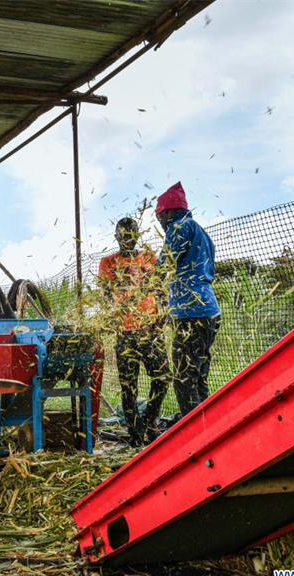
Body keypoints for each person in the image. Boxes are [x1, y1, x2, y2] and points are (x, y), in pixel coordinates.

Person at [98, 217, 169, 446]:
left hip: (150, 330)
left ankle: (149, 420)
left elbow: (159, 288)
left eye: (131, 235)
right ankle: (135, 434)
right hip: (125, 333)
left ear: (137, 235)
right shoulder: (108, 263)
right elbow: (106, 296)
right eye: (123, 235)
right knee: (128, 385)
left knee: (163, 376)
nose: (127, 239)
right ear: (117, 237)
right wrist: (112, 316)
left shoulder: (148, 257)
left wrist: (164, 312)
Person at [155, 182, 221, 416]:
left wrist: (147, 283)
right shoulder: (200, 231)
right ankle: (208, 429)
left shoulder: (179, 227)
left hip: (192, 312)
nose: (160, 224)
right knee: (198, 376)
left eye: (159, 217)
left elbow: (164, 264)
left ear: (168, 212)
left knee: (183, 379)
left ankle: (192, 438)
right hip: (208, 310)